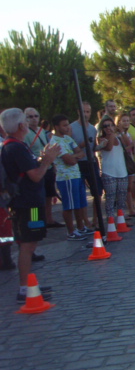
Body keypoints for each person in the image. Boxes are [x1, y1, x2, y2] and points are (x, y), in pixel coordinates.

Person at [0, 108, 61, 303]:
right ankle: (25, 288)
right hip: (28, 204)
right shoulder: (16, 147)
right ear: (21, 125)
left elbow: (29, 169)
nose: (28, 123)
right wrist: (48, 161)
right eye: (26, 120)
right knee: (28, 243)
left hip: (26, 202)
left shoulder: (13, 145)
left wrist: (41, 159)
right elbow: (35, 176)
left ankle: (28, 285)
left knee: (30, 242)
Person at [50, 114, 91, 241]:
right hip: (66, 177)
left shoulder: (68, 138)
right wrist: (74, 156)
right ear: (56, 127)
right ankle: (71, 231)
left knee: (79, 203)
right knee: (69, 205)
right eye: (64, 125)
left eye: (68, 124)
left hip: (76, 175)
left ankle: (80, 227)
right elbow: (69, 160)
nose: (68, 127)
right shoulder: (55, 142)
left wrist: (74, 156)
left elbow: (81, 152)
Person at [24, 107, 63, 228]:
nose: (34, 119)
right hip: (35, 167)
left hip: (48, 167)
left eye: (36, 116)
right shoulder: (25, 133)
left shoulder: (43, 132)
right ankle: (35, 221)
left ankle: (49, 219)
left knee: (49, 194)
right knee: (35, 197)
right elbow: (26, 152)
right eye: (30, 116)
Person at [70, 101, 103, 230]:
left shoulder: (92, 129)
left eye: (88, 112)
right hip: (78, 163)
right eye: (83, 111)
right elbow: (68, 148)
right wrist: (81, 145)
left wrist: (101, 146)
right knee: (81, 193)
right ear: (78, 112)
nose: (86, 114)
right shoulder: (71, 128)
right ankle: (85, 221)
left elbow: (93, 147)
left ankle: (96, 219)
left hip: (91, 161)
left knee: (98, 191)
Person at [96, 117, 128, 221]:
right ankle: (111, 222)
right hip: (109, 173)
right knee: (110, 198)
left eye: (111, 125)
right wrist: (112, 134)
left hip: (122, 172)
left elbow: (128, 143)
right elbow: (109, 148)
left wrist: (121, 131)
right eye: (106, 126)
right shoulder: (101, 139)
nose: (108, 128)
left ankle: (121, 221)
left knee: (122, 199)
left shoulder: (119, 137)